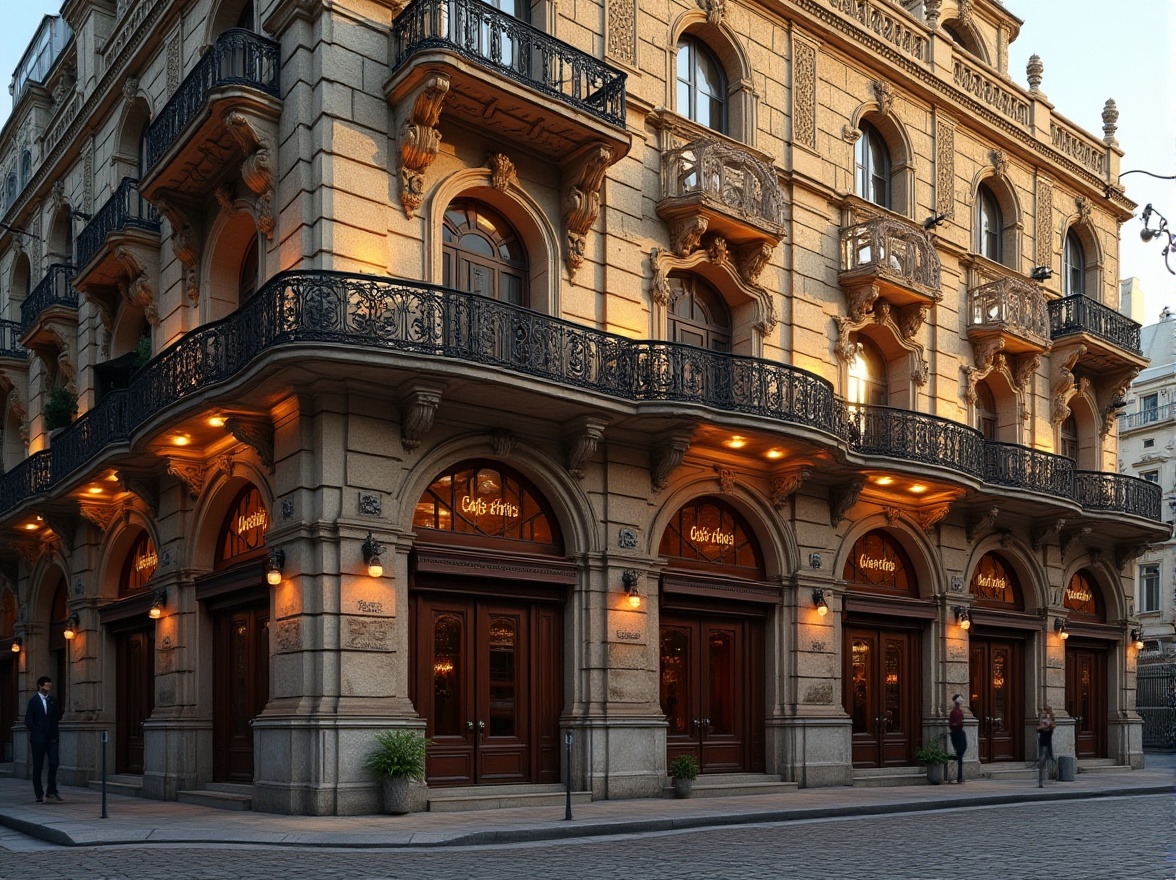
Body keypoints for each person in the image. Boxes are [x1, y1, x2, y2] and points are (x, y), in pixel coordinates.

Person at [25, 675, 62, 803]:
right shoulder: (33, 701)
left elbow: (55, 719)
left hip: (51, 739)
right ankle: (39, 793)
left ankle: (51, 790)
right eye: (47, 686)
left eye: (50, 686)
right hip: (38, 739)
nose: (49, 688)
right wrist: (36, 730)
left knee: (54, 763)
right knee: (38, 766)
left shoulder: (52, 701)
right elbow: (28, 720)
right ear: (40, 686)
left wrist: (55, 736)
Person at [948, 694, 966, 784]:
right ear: (957, 701)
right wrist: (957, 724)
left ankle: (959, 776)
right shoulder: (955, 712)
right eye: (960, 699)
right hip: (957, 734)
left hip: (959, 733)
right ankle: (948, 758)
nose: (962, 700)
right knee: (959, 755)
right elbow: (952, 724)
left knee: (960, 755)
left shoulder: (959, 711)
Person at [1036, 705, 1056, 788]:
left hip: (1046, 746)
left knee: (1044, 762)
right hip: (1043, 745)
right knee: (1042, 764)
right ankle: (1041, 782)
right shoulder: (1045, 725)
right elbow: (1038, 728)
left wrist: (1045, 723)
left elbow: (1045, 727)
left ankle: (1049, 779)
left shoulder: (1049, 725)